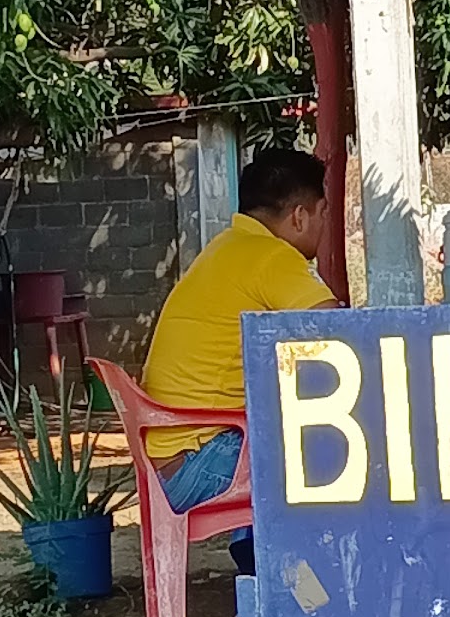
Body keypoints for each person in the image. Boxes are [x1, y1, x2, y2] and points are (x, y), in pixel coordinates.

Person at [142, 147, 337, 564]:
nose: (324, 225)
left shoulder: (227, 247)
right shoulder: (270, 255)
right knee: (331, 451)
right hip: (198, 462)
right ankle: (291, 583)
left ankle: (259, 570)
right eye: (323, 213)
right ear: (299, 216)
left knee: (284, 433)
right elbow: (340, 333)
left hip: (172, 461)